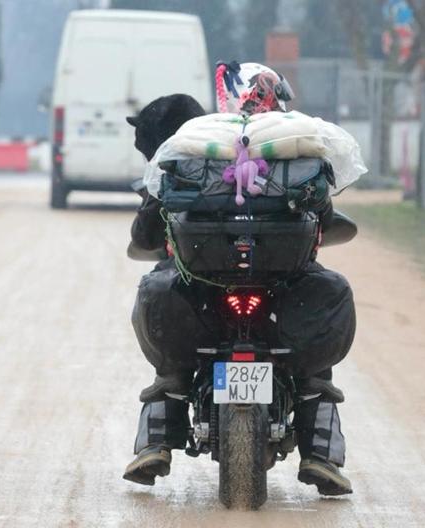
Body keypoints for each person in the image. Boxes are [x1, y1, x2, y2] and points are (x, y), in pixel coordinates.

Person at [122, 64, 357, 496]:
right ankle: (320, 452)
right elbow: (323, 213)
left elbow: (149, 228)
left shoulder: (196, 152)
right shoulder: (295, 154)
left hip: (205, 291)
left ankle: (157, 439)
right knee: (314, 362)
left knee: (171, 359)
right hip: (282, 292)